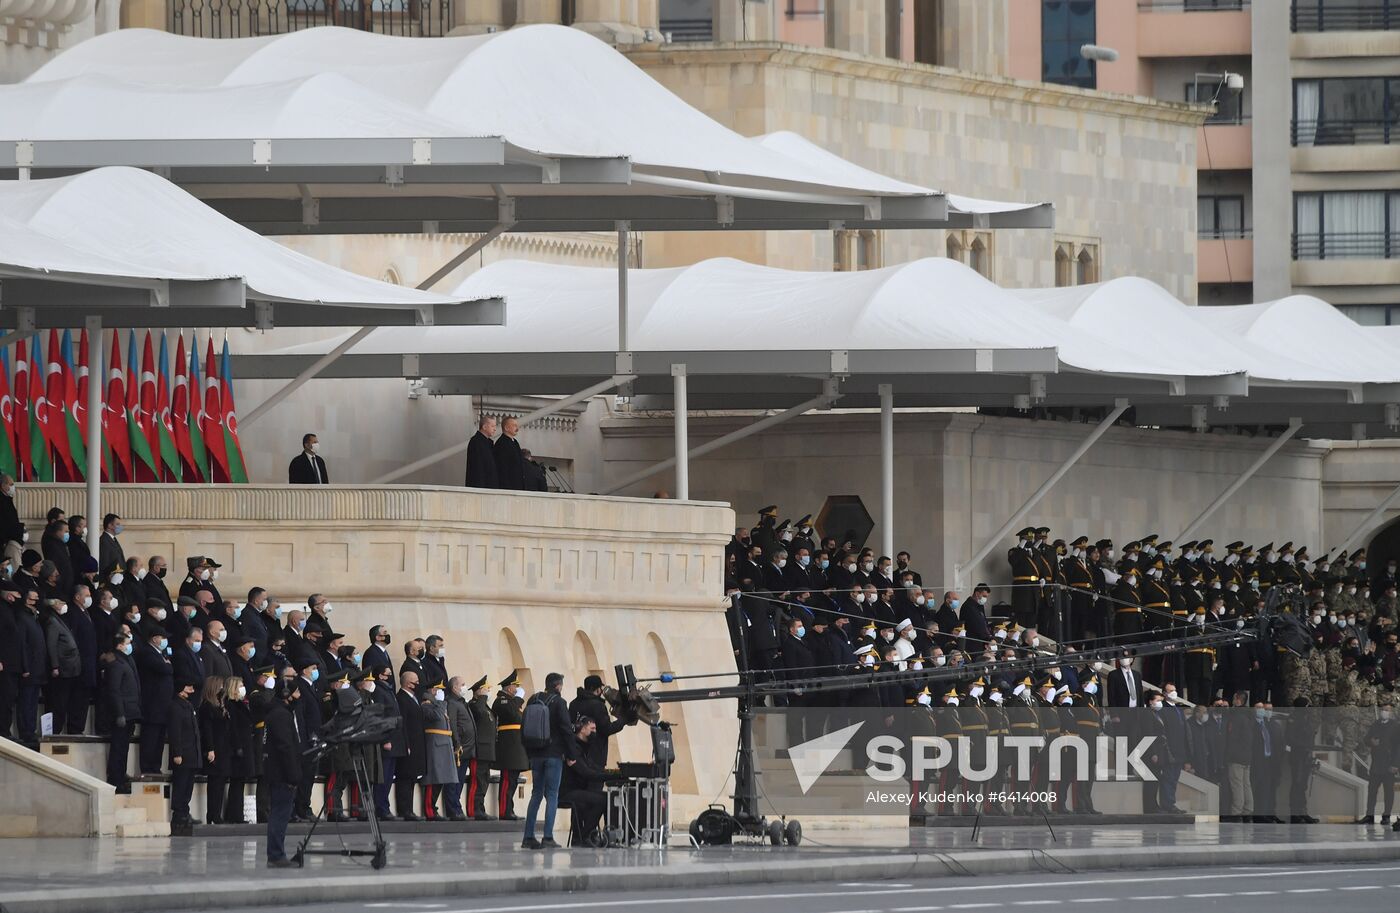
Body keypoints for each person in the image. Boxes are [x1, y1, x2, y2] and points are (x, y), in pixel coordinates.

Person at [521, 671, 573, 850]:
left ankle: (528, 837)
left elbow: (524, 728)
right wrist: (572, 755)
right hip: (553, 755)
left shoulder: (533, 700)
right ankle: (548, 836)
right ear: (558, 686)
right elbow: (567, 730)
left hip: (536, 755)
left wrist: (529, 753)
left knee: (536, 794)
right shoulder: (559, 703)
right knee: (552, 795)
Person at [254, 679, 302, 868]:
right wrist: (293, 774)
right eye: (296, 693)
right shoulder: (281, 715)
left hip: (276, 771)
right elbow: (285, 747)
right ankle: (276, 854)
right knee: (280, 814)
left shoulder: (276, 713)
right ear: (286, 695)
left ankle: (276, 853)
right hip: (282, 773)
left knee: (279, 813)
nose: (299, 696)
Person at [560, 716, 608, 845]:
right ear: (582, 729)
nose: (595, 732)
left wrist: (608, 773)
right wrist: (607, 776)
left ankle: (588, 834)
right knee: (603, 800)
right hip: (567, 791)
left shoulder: (585, 746)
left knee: (606, 797)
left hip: (579, 789)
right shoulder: (574, 748)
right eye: (592, 729)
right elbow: (584, 771)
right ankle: (584, 835)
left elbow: (591, 766)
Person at [104, 632, 141, 793]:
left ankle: (121, 777)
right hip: (123, 713)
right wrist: (119, 713)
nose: (130, 645)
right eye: (128, 643)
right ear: (120, 645)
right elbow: (114, 690)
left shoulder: (126, 660)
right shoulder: (116, 663)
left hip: (130, 712)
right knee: (118, 748)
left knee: (124, 748)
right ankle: (115, 780)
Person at [135, 625, 174, 773]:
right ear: (154, 638)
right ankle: (147, 768)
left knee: (159, 740)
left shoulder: (162, 654)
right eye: (163, 637)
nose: (165, 641)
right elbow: (166, 669)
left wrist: (168, 665)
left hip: (163, 705)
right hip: (152, 704)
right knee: (150, 738)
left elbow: (170, 668)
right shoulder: (147, 652)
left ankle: (155, 767)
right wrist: (167, 666)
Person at [40, 598, 81, 734]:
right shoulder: (52, 621)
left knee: (65, 702)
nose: (65, 605)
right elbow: (51, 645)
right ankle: (54, 730)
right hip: (62, 669)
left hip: (70, 669)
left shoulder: (59, 619)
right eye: (61, 603)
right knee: (58, 703)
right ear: (54, 606)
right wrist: (55, 666)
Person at [493, 671, 528, 821]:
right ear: (508, 688)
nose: (517, 689)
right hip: (509, 748)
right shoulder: (501, 700)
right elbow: (512, 713)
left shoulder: (511, 701)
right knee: (507, 780)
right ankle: (504, 811)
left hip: (516, 747)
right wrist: (519, 698)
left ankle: (509, 809)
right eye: (515, 686)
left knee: (512, 780)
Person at [168, 677, 201, 830]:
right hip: (183, 753)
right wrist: (177, 753)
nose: (191, 690)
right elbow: (175, 732)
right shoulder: (176, 706)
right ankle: (178, 814)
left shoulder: (187, 705)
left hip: (192, 753)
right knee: (181, 785)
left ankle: (185, 811)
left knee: (188, 785)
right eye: (188, 687)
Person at [419, 680, 456, 821]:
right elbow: (436, 716)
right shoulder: (426, 706)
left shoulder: (437, 705)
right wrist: (441, 703)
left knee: (441, 779)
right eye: (438, 689)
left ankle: (434, 808)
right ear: (432, 690)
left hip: (444, 745)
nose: (441, 692)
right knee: (433, 779)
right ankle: (429, 810)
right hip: (434, 745)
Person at [197, 677, 232, 824]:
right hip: (215, 748)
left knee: (220, 782)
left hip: (223, 747)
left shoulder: (219, 706)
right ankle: (213, 814)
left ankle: (216, 813)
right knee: (215, 784)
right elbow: (207, 729)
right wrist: (210, 748)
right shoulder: (207, 706)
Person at [444, 675, 477, 822]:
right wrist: (457, 744)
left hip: (467, 749)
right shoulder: (451, 702)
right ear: (454, 687)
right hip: (459, 750)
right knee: (454, 781)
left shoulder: (462, 702)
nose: (465, 687)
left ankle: (457, 807)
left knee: (460, 780)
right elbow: (453, 725)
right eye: (462, 684)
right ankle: (453, 810)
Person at [1360, 699, 1399, 824]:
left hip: (1389, 764)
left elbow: (1398, 747)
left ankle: (1386, 816)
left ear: (1391, 712)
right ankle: (1369, 815)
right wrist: (1371, 741)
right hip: (1376, 764)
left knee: (1388, 792)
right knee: (1372, 791)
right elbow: (1366, 739)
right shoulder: (1376, 724)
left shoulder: (1396, 726)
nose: (1384, 712)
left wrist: (1395, 764)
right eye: (1383, 710)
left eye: (1387, 710)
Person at [394, 670, 426, 821]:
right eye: (415, 682)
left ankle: (409, 809)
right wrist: (405, 743)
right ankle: (404, 809)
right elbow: (403, 724)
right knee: (405, 777)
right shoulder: (401, 698)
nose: (418, 684)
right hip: (408, 744)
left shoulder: (414, 698)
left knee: (412, 777)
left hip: (417, 744)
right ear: (407, 683)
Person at [467, 675, 498, 819]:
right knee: (477, 780)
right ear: (479, 691)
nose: (488, 692)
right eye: (486, 689)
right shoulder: (474, 704)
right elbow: (478, 713)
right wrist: (481, 698)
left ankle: (480, 808)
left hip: (487, 750)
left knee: (484, 780)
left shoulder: (484, 706)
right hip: (478, 751)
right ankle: (474, 810)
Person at [465, 416, 499, 489]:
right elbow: (477, 467)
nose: (495, 429)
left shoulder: (488, 443)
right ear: (484, 427)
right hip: (480, 486)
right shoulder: (476, 442)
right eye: (492, 426)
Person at [494, 416, 527, 490]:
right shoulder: (501, 444)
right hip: (508, 486)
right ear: (506, 428)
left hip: (518, 485)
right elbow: (502, 468)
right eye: (514, 425)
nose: (517, 428)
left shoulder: (515, 442)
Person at [0, 474, 26, 565]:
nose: (13, 487)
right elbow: (6, 523)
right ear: (3, 485)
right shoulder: (3, 502)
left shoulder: (7, 500)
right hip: (7, 542)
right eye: (10, 484)